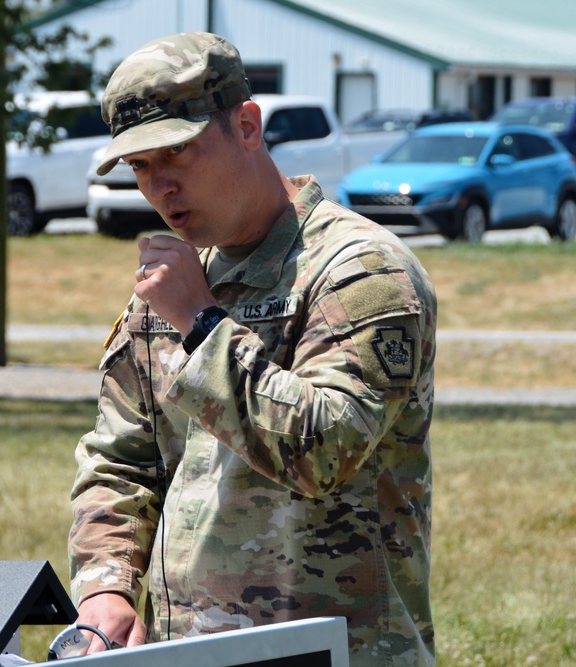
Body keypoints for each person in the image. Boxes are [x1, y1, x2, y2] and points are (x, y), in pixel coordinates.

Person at [67, 32, 437, 666]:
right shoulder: (175, 283)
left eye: (176, 152)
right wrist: (106, 588)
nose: (160, 186)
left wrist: (201, 324)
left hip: (340, 649)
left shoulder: (360, 271)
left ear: (246, 127)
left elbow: (326, 450)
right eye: (140, 166)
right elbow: (123, 458)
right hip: (187, 650)